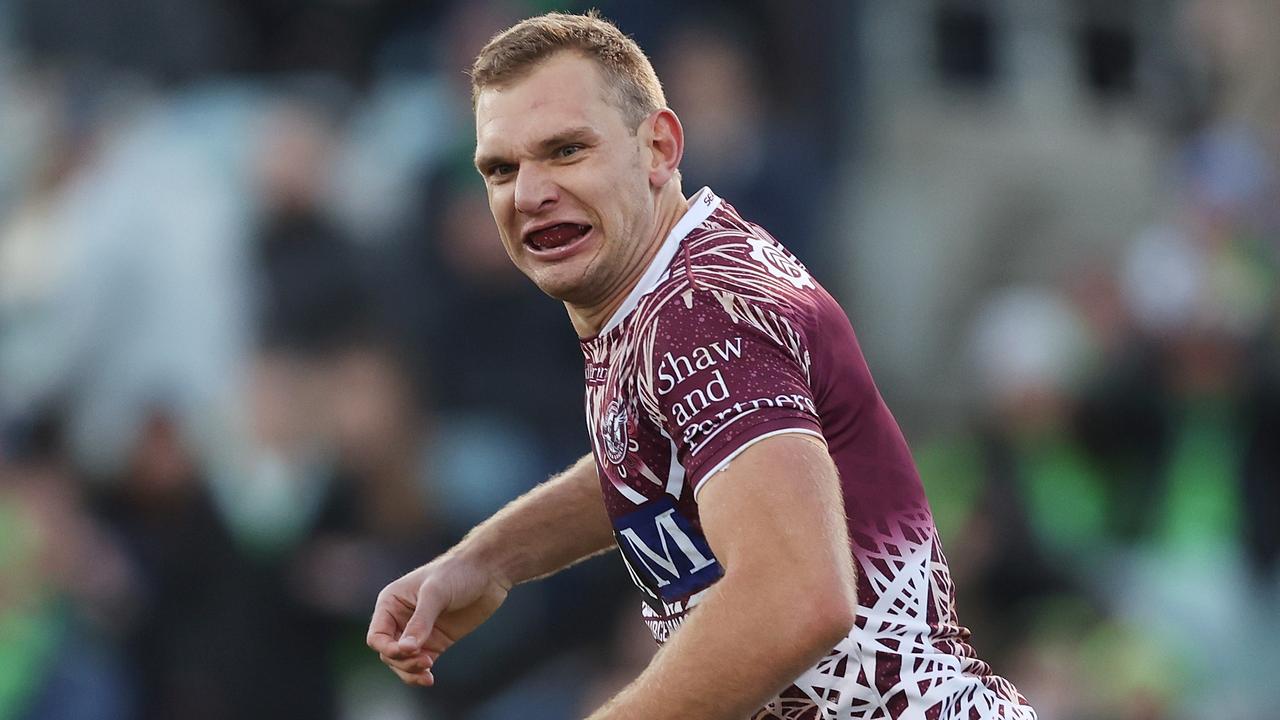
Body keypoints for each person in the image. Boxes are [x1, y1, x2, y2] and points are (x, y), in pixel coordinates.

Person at [367, 11, 1037, 719]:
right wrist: (491, 559)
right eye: (501, 168)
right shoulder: (670, 281)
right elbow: (677, 448)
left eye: (566, 150)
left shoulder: (697, 312)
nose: (529, 194)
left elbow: (796, 598)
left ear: (658, 147)